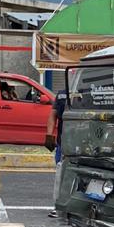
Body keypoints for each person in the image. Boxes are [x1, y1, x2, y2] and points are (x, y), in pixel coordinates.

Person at [45, 90, 67, 218]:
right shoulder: (62, 95)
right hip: (63, 142)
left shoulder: (89, 91)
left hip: (81, 143)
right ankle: (59, 205)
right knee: (61, 174)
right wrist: (49, 135)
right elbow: (53, 115)